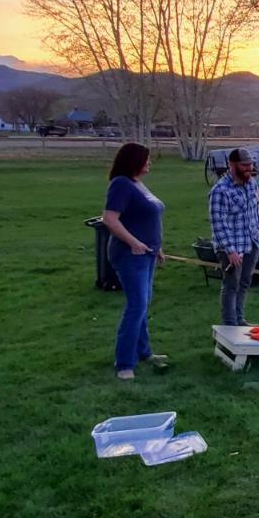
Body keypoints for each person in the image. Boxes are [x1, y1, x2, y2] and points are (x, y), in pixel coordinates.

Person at [102, 143, 168, 380]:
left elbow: (145, 217)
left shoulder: (137, 184)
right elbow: (110, 219)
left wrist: (156, 247)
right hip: (130, 255)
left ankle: (144, 352)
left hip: (147, 253)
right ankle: (124, 364)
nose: (150, 163)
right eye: (146, 159)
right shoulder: (121, 184)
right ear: (134, 161)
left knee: (144, 303)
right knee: (136, 306)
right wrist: (133, 242)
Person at [209, 147, 259, 326]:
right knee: (231, 285)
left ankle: (240, 320)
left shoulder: (252, 183)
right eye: (244, 165)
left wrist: (257, 235)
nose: (249, 168)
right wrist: (230, 250)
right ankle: (230, 325)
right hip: (232, 247)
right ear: (232, 165)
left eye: (250, 164)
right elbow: (218, 224)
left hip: (252, 242)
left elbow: (254, 212)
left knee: (245, 283)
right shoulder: (220, 191)